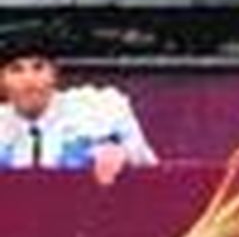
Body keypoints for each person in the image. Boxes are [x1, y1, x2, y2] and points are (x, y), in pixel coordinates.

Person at [0, 19, 156, 185]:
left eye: (39, 67)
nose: (29, 80)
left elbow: (150, 169)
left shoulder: (99, 108)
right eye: (16, 70)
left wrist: (126, 154)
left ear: (54, 74)